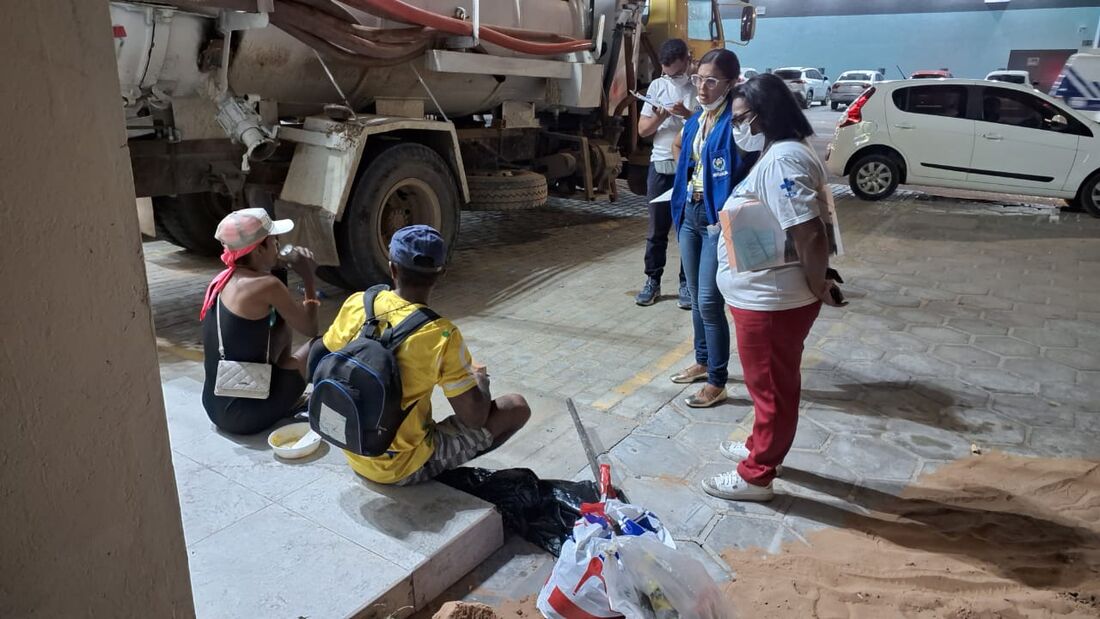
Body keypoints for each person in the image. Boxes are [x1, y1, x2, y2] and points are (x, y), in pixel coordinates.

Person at [701, 74, 845, 502]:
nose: (737, 127)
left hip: (772, 301)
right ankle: (761, 447)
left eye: (741, 118)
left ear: (763, 115)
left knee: (772, 391)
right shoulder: (785, 151)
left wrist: (819, 283)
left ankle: (757, 474)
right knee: (769, 384)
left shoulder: (784, 160)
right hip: (767, 295)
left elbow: (810, 232)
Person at [319, 225, 531, 486]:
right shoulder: (442, 334)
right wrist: (481, 382)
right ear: (441, 273)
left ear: (392, 269)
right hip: (399, 468)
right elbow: (474, 418)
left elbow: (326, 354)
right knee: (516, 407)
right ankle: (436, 467)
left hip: (351, 445)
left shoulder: (359, 302)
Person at [667, 48, 758, 408]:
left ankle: (717, 381)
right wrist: (691, 177)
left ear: (732, 83)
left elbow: (753, 163)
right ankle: (703, 361)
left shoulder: (737, 123)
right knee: (693, 295)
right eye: (698, 79)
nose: (702, 88)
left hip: (715, 221)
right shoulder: (697, 119)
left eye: (711, 81)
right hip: (689, 213)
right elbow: (679, 147)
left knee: (709, 300)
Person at [200, 208, 320, 435]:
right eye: (274, 241)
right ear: (258, 249)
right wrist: (308, 278)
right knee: (321, 345)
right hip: (246, 416)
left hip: (216, 407)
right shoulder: (266, 285)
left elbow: (279, 328)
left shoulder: (223, 279)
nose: (278, 245)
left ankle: (280, 395)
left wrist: (277, 264)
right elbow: (310, 328)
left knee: (279, 326)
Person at [635, 38, 695, 308]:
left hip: (689, 166)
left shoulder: (698, 87)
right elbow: (643, 130)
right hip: (660, 164)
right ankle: (652, 281)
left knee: (687, 228)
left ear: (687, 60)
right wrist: (660, 116)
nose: (672, 77)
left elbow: (709, 124)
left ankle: (687, 283)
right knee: (657, 229)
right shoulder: (657, 87)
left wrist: (687, 114)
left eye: (677, 72)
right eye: (668, 72)